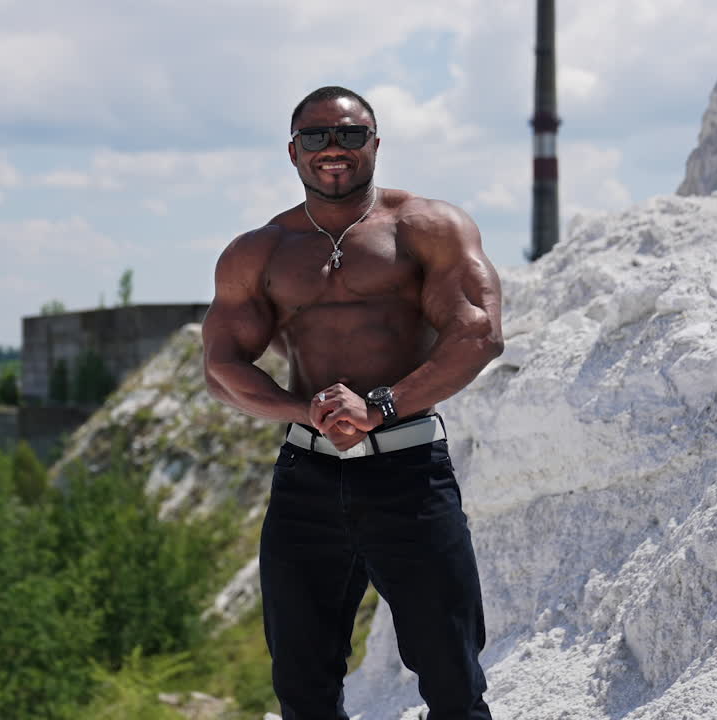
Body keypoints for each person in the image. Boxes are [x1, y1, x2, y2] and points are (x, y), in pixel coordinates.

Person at [201, 85, 503, 720]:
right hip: (306, 479)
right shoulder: (259, 251)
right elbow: (222, 368)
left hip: (408, 474)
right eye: (316, 137)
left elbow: (478, 333)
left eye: (349, 135)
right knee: (303, 687)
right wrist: (301, 410)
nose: (332, 149)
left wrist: (380, 406)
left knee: (452, 676)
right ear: (293, 150)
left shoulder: (428, 227)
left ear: (375, 143)